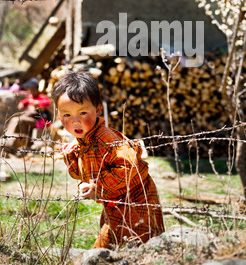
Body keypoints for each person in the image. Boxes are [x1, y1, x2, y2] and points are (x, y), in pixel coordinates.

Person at [51, 71, 165, 249]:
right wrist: (71, 157)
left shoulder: (106, 138)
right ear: (58, 115)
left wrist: (98, 187)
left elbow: (129, 166)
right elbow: (80, 174)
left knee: (128, 247)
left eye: (82, 113)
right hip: (114, 203)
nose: (75, 122)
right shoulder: (82, 141)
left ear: (97, 110)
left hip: (136, 202)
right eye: (67, 115)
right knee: (116, 247)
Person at [4, 77, 52, 155]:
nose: (32, 92)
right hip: (29, 119)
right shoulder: (30, 97)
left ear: (37, 89)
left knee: (20, 120)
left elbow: (47, 102)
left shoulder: (42, 97)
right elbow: (23, 102)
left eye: (33, 90)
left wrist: (36, 103)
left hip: (40, 122)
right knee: (15, 119)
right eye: (31, 90)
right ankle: (10, 136)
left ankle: (19, 140)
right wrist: (22, 104)